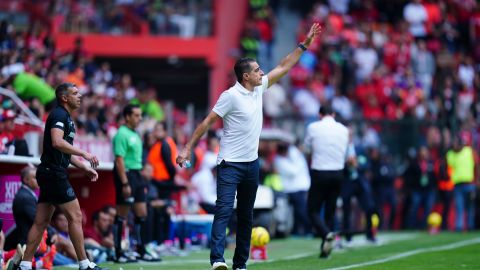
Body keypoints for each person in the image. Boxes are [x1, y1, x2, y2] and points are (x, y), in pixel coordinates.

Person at [176, 23, 322, 270]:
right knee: (223, 211)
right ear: (246, 76)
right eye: (257, 70)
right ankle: (217, 261)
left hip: (251, 165)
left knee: (246, 216)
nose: (261, 72)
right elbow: (207, 122)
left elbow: (285, 65)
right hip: (229, 164)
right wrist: (188, 148)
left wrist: (304, 44)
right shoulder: (230, 96)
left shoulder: (258, 89)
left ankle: (240, 264)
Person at [14, 82, 106, 270]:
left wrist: (83, 167)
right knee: (76, 216)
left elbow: (64, 151)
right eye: (75, 93)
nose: (79, 96)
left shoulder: (67, 118)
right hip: (54, 173)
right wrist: (85, 154)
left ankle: (24, 265)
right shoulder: (59, 115)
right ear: (64, 98)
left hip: (48, 172)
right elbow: (57, 142)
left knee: (40, 223)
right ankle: (84, 264)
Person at [112, 104, 160, 263]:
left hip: (137, 175)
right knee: (122, 215)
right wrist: (125, 183)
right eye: (136, 115)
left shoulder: (135, 133)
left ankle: (141, 249)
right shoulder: (121, 134)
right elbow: (119, 160)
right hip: (126, 175)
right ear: (127, 117)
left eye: (140, 115)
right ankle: (119, 252)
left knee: (142, 214)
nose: (140, 118)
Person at [304, 103, 349, 259]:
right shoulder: (344, 130)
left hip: (320, 171)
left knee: (312, 210)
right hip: (338, 172)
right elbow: (346, 154)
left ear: (320, 114)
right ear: (334, 114)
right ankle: (325, 250)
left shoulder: (313, 127)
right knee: (330, 211)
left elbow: (308, 150)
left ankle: (326, 234)